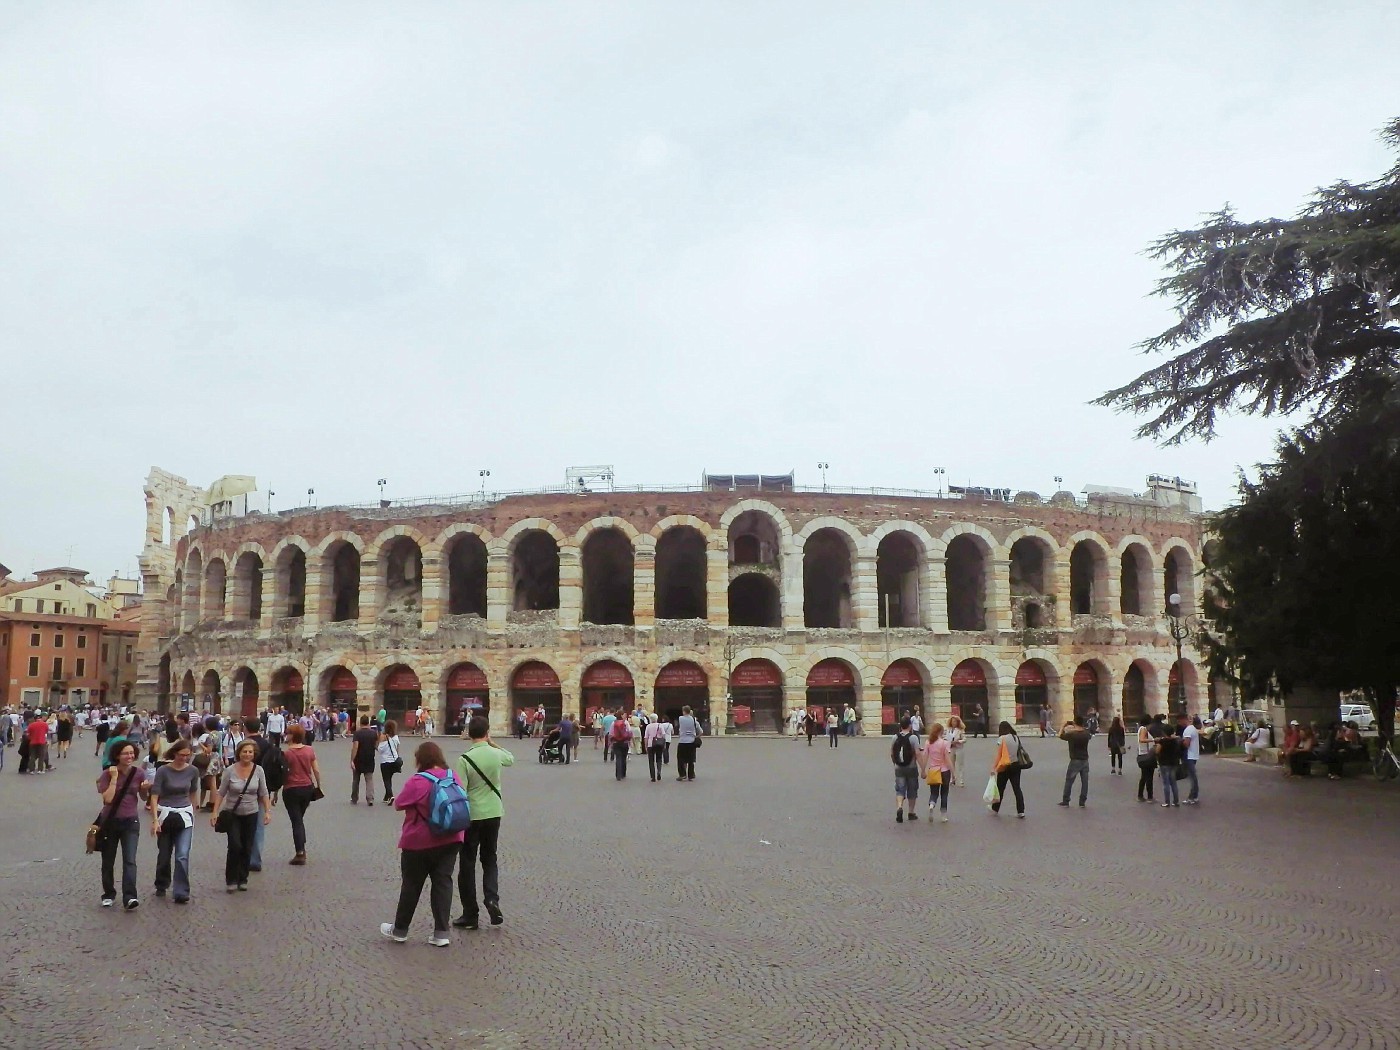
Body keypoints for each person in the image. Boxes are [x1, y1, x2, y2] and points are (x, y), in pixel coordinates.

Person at [382, 741, 464, 947]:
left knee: (411, 885)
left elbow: (399, 804)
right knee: (443, 883)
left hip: (419, 841)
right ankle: (441, 933)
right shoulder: (452, 776)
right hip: (450, 838)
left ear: (420, 759)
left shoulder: (418, 781)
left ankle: (400, 929)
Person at [454, 717, 515, 930]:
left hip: (472, 815)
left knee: (467, 863)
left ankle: (470, 913)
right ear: (487, 733)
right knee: (490, 859)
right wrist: (493, 743)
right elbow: (511, 758)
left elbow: (460, 790)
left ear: (470, 734)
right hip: (494, 812)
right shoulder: (495, 754)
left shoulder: (465, 759)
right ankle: (492, 899)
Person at [212, 739, 271, 891]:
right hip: (233, 813)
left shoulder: (259, 770)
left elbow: (264, 792)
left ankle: (242, 878)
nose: (247, 754)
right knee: (235, 845)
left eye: (250, 752)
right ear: (239, 753)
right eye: (245, 751)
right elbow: (221, 792)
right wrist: (215, 811)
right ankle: (231, 879)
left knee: (247, 846)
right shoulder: (230, 770)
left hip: (252, 813)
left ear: (254, 754)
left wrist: (267, 811)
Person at [96, 740, 148, 909]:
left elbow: (144, 798)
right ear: (117, 755)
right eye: (126, 753)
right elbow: (108, 799)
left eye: (132, 753)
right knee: (108, 859)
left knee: (130, 860)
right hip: (110, 821)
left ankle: (130, 896)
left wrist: (145, 789)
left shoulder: (139, 773)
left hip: (131, 821)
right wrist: (114, 779)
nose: (129, 756)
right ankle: (109, 893)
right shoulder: (107, 774)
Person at [149, 738, 199, 904]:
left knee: (182, 855)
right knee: (164, 854)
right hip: (165, 813)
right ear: (174, 753)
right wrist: (155, 820)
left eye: (187, 755)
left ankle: (181, 891)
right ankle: (161, 883)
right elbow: (155, 795)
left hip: (184, 813)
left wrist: (194, 810)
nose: (184, 758)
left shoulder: (193, 771)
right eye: (181, 755)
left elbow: (193, 792)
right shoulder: (163, 770)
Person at [281, 724, 322, 865]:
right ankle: (302, 848)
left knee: (296, 820)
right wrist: (318, 785)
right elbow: (316, 770)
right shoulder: (309, 750)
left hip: (291, 789)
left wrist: (274, 792)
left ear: (292, 736)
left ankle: (300, 852)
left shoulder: (286, 754)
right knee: (299, 818)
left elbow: (282, 774)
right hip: (307, 788)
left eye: (288, 733)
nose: (286, 735)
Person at [989, 720, 1025, 817]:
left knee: (1000, 788)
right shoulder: (1016, 737)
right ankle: (1021, 810)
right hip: (1016, 765)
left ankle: (995, 808)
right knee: (1017, 788)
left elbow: (999, 755)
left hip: (1005, 765)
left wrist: (993, 767)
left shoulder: (1002, 738)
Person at [891, 716, 922, 823]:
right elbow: (917, 754)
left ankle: (899, 807)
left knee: (900, 789)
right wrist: (923, 768)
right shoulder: (913, 738)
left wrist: (895, 763)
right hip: (911, 767)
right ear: (910, 725)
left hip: (899, 767)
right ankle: (911, 812)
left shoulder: (895, 737)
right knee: (912, 790)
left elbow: (892, 753)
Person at [1058, 716, 1092, 807]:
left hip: (1075, 760)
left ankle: (1066, 800)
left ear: (1075, 723)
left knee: (1069, 781)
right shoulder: (1086, 734)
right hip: (1085, 760)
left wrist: (1063, 726)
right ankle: (1082, 801)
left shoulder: (1071, 734)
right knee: (1085, 782)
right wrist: (1076, 724)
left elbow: (1060, 735)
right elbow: (1086, 733)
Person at [922, 722, 953, 822]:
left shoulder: (928, 742)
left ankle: (932, 804)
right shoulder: (944, 743)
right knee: (944, 793)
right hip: (944, 771)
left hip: (933, 770)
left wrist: (923, 770)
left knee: (934, 792)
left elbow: (925, 757)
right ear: (940, 732)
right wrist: (953, 772)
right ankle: (943, 815)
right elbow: (948, 759)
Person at [350, 715, 380, 805]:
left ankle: (354, 798)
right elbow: (376, 745)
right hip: (370, 758)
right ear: (368, 722)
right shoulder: (373, 733)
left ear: (361, 722)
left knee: (356, 779)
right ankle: (370, 798)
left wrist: (352, 759)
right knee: (369, 779)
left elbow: (355, 746)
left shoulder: (357, 733)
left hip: (359, 758)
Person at [377, 719, 403, 802]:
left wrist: (381, 744)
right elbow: (397, 749)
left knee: (386, 780)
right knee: (389, 778)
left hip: (385, 761)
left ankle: (390, 795)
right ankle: (386, 796)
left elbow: (380, 750)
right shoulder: (396, 737)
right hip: (394, 760)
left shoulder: (383, 736)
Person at [1156, 729, 1182, 807]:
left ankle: (1167, 802)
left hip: (1164, 763)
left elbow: (1157, 751)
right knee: (1173, 783)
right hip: (1174, 763)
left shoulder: (1162, 741)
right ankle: (1176, 801)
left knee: (1166, 783)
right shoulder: (1175, 741)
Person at [1179, 713, 1202, 803]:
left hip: (1189, 755)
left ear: (1183, 720)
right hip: (1194, 755)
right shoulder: (1193, 729)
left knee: (1192, 776)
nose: (1179, 723)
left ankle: (1192, 796)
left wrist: (1181, 741)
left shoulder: (1187, 730)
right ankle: (1194, 796)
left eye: (1179, 721)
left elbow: (1186, 744)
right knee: (1192, 776)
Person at [676, 705, 701, 782]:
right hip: (691, 741)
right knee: (691, 759)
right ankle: (691, 775)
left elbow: (678, 727)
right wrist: (696, 736)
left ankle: (682, 774)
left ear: (683, 711)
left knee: (680, 759)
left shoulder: (680, 718)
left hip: (683, 740)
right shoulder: (694, 720)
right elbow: (701, 731)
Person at [1135, 716, 1156, 802]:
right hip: (1146, 755)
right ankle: (1150, 797)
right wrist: (1154, 740)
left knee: (1144, 777)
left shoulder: (1141, 728)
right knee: (1149, 777)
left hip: (1142, 755)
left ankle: (1140, 795)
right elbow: (1142, 739)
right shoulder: (1144, 729)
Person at [610, 711, 634, 780]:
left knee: (618, 758)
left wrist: (611, 742)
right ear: (621, 715)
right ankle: (623, 773)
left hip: (616, 742)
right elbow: (629, 731)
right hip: (625, 742)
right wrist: (630, 741)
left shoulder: (613, 723)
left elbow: (611, 733)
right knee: (624, 758)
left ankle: (618, 775)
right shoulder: (625, 722)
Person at [946, 715, 967, 787]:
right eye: (952, 721)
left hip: (959, 748)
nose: (953, 723)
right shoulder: (948, 729)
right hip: (951, 748)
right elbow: (945, 738)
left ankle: (961, 780)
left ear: (958, 722)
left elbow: (964, 739)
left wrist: (959, 741)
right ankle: (952, 779)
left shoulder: (960, 730)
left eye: (955, 721)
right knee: (951, 764)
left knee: (960, 764)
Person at [644, 716, 666, 782]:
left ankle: (652, 776)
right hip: (659, 744)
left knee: (651, 761)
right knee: (659, 758)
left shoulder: (648, 726)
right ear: (656, 719)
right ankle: (659, 771)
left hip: (651, 744)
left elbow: (646, 737)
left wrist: (646, 746)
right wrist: (663, 743)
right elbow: (663, 735)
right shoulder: (660, 725)